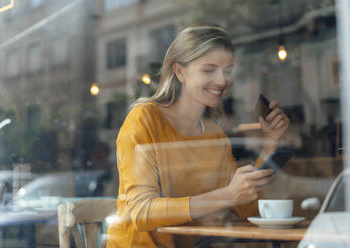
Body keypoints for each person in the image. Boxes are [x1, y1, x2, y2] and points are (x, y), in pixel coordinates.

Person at [106, 24, 290, 248]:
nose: (222, 81)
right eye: (209, 70)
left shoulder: (214, 135)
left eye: (228, 70)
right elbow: (140, 212)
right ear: (180, 72)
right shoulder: (144, 119)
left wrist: (270, 143)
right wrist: (226, 195)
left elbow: (246, 209)